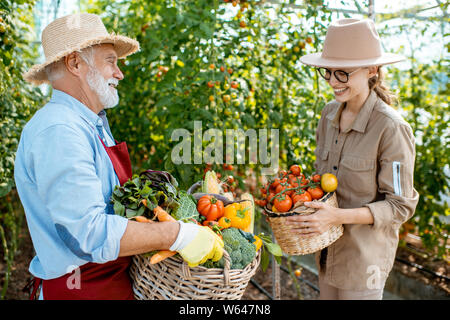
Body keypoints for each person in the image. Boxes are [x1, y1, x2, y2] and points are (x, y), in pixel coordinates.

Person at [15, 13, 223, 300]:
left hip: (107, 282)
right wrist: (176, 234)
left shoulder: (91, 123)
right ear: (75, 63)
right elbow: (88, 234)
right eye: (110, 60)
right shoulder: (59, 131)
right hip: (79, 289)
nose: (119, 73)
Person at [288, 18, 419, 300]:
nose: (333, 82)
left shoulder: (390, 128)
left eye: (343, 73)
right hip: (326, 252)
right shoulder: (328, 115)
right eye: (328, 72)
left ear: (372, 70)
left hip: (364, 262)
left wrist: (336, 217)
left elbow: (399, 206)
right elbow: (323, 182)